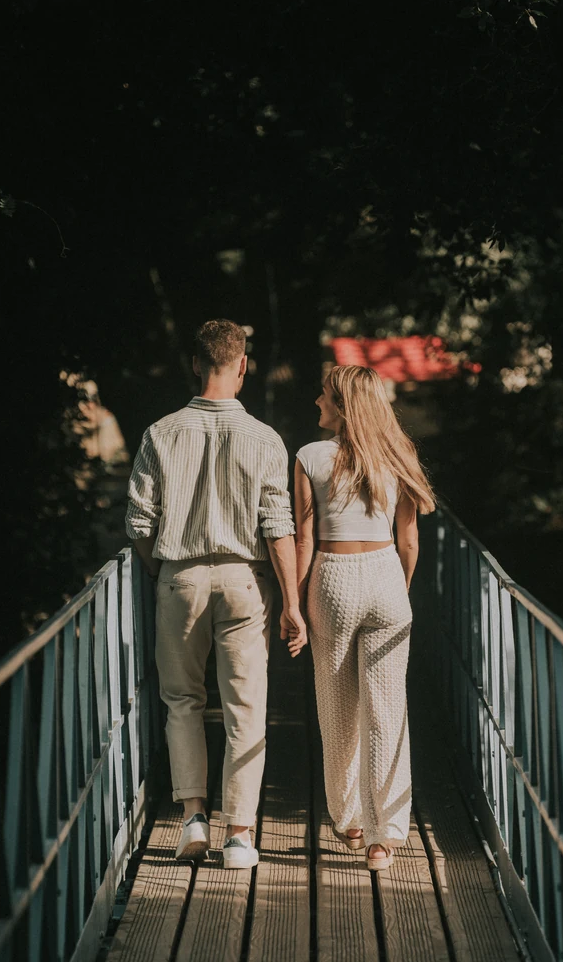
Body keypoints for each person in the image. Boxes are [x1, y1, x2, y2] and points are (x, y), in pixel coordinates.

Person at [125, 319, 306, 868]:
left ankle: (193, 820)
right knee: (245, 708)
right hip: (244, 581)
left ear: (196, 364)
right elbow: (278, 525)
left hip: (180, 577)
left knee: (182, 700)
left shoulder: (160, 432)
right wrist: (293, 604)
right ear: (243, 366)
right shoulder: (266, 439)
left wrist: (163, 570)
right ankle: (241, 837)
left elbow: (139, 524)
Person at [295, 364, 435, 871]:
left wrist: (295, 601)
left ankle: (350, 818)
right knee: (387, 708)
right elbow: (410, 540)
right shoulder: (397, 455)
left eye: (324, 396)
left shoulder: (310, 457)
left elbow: (305, 539)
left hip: (331, 577)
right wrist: (400, 587)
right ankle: (385, 837)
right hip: (385, 575)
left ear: (343, 405)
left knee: (336, 703)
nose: (316, 402)